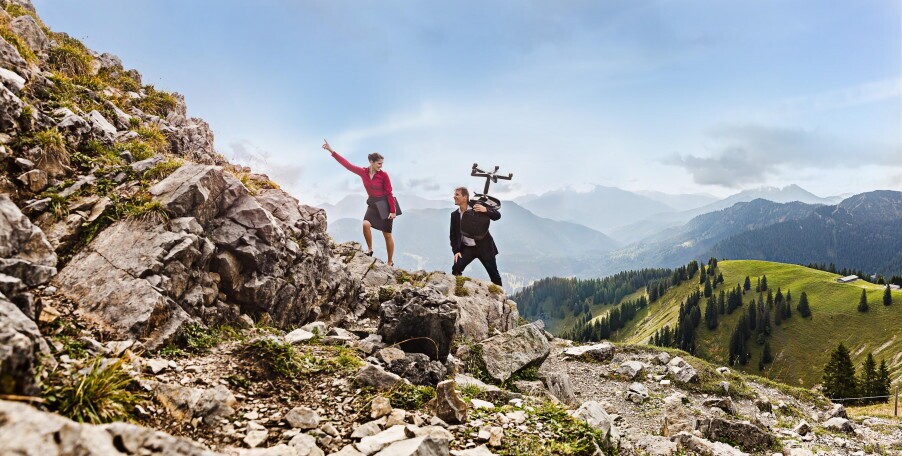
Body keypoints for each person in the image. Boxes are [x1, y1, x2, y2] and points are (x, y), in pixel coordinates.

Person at [323, 139, 396, 266]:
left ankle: (390, 262)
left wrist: (393, 210)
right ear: (371, 162)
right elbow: (347, 165)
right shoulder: (363, 172)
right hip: (373, 203)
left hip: (385, 204)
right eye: (379, 163)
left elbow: (389, 193)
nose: (381, 166)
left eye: (382, 163)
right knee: (365, 224)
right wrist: (331, 151)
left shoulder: (384, 175)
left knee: (387, 235)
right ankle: (370, 250)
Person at [450, 186, 502, 286]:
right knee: (456, 268)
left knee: (494, 275)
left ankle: (502, 300)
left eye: (457, 194)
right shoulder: (455, 215)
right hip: (468, 249)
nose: (454, 197)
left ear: (465, 197)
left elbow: (497, 216)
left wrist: (486, 210)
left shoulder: (477, 207)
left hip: (485, 248)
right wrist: (456, 251)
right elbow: (453, 235)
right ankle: (458, 290)